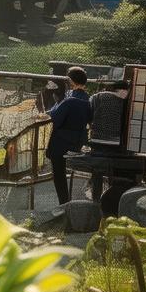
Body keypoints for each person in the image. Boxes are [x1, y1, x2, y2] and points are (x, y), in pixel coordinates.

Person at [46, 66, 93, 205]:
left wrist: (56, 104)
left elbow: (54, 118)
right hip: (77, 141)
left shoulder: (69, 101)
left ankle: (64, 203)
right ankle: (65, 203)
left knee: (59, 174)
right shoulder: (88, 99)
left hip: (60, 143)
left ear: (70, 81)